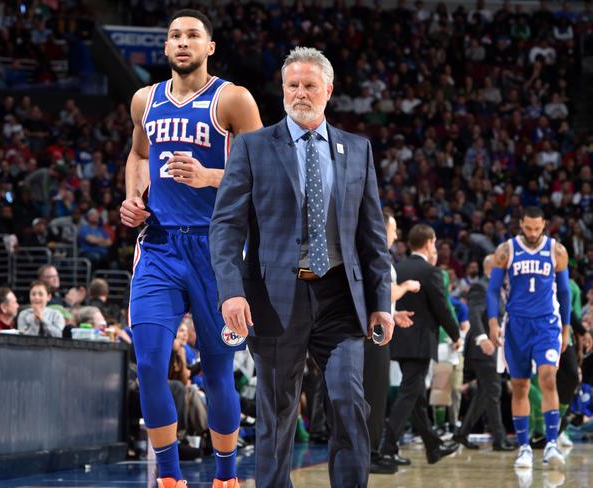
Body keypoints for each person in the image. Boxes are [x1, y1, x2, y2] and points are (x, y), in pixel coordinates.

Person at [210, 47, 394, 488]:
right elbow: (226, 226)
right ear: (283, 89)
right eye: (292, 85)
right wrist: (231, 291)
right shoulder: (254, 147)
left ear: (328, 90)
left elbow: (371, 237)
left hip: (340, 299)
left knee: (350, 402)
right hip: (273, 299)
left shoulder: (358, 149)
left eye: (310, 85)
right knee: (276, 416)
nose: (300, 93)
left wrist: (381, 302)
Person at [118, 9, 262, 488]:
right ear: (165, 47)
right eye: (175, 35)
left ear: (209, 47)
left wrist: (209, 177)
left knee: (219, 371)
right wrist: (133, 197)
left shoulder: (233, 100)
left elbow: (267, 173)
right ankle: (170, 479)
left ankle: (226, 478)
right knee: (151, 364)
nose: (183, 42)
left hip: (216, 248)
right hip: (158, 246)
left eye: (193, 35)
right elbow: (139, 155)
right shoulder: (145, 99)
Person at [488, 206, 571, 469]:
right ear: (520, 225)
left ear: (544, 224)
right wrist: (492, 322)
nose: (533, 233)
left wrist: (567, 329)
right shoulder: (506, 250)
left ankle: (551, 444)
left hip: (547, 324)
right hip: (516, 326)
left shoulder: (556, 250)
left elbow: (566, 293)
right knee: (521, 386)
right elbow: (492, 290)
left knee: (548, 378)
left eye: (538, 228)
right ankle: (524, 447)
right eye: (528, 228)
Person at [379, 224, 460, 466]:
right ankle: (388, 446)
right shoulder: (430, 272)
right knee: (409, 394)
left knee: (415, 397)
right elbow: (442, 308)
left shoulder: (397, 268)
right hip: (421, 341)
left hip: (399, 337)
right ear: (429, 243)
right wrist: (456, 334)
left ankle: (433, 446)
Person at [366, 209, 418, 475]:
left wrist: (394, 314)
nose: (396, 234)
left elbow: (379, 297)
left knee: (376, 394)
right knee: (374, 394)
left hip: (376, 328)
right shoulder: (377, 254)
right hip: (371, 335)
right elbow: (385, 291)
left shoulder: (378, 254)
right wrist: (407, 286)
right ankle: (370, 454)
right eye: (393, 228)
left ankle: (372, 451)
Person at [453, 254, 515, 451]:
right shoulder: (481, 286)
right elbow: (474, 313)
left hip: (495, 348)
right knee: (494, 390)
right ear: (493, 267)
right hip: (483, 348)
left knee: (484, 393)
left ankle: (462, 434)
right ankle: (500, 439)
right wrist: (483, 339)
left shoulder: (498, 289)